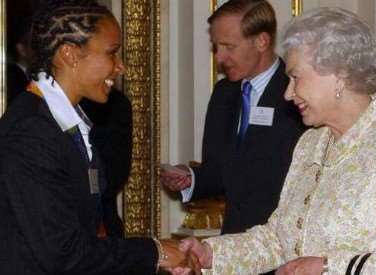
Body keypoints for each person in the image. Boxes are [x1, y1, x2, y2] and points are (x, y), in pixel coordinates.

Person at [174, 7, 376, 275]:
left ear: (338, 74)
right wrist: (211, 254)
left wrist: (328, 266)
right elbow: (279, 240)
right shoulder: (310, 144)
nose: (288, 93)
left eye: (295, 77)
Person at [0, 1, 195, 274]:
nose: (121, 67)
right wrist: (156, 251)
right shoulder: (31, 132)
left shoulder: (62, 120)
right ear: (69, 54)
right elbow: (62, 253)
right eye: (112, 54)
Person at [161, 0, 305, 236]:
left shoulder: (297, 91)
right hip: (235, 243)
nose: (219, 58)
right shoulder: (223, 94)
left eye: (229, 47)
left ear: (262, 41)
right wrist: (191, 179)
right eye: (216, 47)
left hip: (286, 245)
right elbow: (220, 172)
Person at [80, 87, 132, 238]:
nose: (118, 68)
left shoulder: (115, 103)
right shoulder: (38, 103)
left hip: (100, 227)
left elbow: (112, 175)